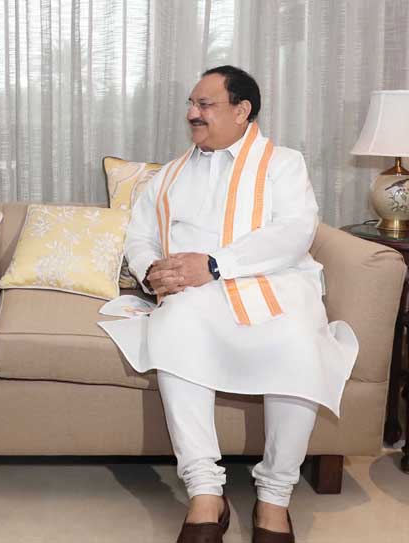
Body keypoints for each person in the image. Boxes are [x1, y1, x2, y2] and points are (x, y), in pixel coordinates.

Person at [109, 65, 358, 543]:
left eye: (204, 105)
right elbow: (139, 235)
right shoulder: (169, 175)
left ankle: (275, 498)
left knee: (300, 343)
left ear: (242, 111)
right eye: (191, 105)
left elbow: (293, 232)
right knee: (174, 326)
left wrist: (217, 264)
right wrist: (150, 271)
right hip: (194, 291)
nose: (191, 114)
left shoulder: (284, 163)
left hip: (274, 282)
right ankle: (205, 492)